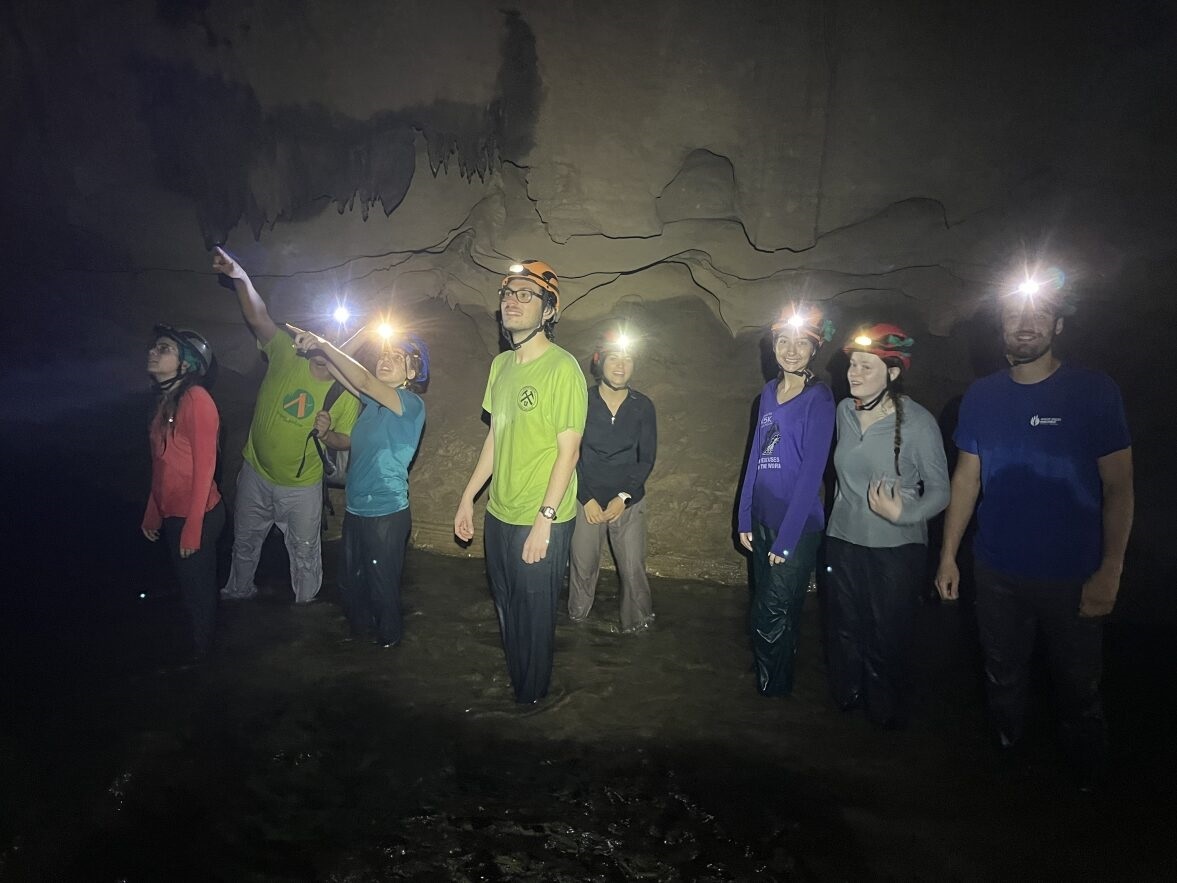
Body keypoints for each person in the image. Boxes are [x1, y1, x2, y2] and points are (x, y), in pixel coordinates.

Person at [935, 277, 1133, 785]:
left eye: (1039, 315)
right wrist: (948, 555)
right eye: (1014, 317)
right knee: (1002, 675)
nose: (1025, 326)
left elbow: (1119, 488)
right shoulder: (981, 396)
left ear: (1059, 326)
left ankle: (1085, 784)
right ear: (1000, 327)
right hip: (998, 569)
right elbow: (966, 479)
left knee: (1078, 686)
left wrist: (1110, 570)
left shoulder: (1093, 391)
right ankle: (1008, 768)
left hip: (1072, 573)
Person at [454, 260, 588, 704]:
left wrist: (545, 520)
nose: (512, 301)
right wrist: (467, 498)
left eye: (525, 295)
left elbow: (569, 452)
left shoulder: (562, 368)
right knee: (507, 609)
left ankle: (531, 707)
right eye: (508, 294)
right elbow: (497, 436)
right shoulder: (501, 367)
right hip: (499, 514)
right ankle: (519, 689)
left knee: (534, 619)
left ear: (549, 311)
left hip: (541, 517)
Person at [212, 247, 361, 605]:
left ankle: (305, 612)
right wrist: (240, 278)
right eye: (324, 335)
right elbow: (258, 316)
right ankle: (237, 593)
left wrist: (328, 434)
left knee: (306, 553)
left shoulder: (347, 392)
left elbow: (346, 442)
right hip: (256, 474)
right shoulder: (284, 352)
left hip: (302, 487)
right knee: (244, 542)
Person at [825, 324, 949, 727]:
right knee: (844, 627)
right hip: (843, 540)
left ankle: (882, 717)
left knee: (887, 633)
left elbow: (941, 491)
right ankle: (847, 702)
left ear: (893, 374)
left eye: (866, 366)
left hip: (897, 548)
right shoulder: (844, 411)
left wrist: (904, 515)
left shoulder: (918, 422)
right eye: (852, 364)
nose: (853, 374)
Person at [287, 323, 428, 647]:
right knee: (350, 586)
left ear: (412, 370)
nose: (385, 360)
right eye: (383, 354)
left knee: (382, 591)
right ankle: (361, 653)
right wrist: (320, 349)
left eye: (396, 357)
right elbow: (339, 373)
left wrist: (323, 341)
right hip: (356, 509)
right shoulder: (371, 406)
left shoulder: (409, 404)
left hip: (386, 514)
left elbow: (361, 377)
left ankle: (390, 652)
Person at [736, 305, 836, 696]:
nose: (791, 350)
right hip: (761, 519)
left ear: (814, 349)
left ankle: (771, 698)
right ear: (773, 347)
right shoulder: (767, 394)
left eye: (800, 343)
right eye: (783, 342)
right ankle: (774, 682)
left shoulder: (820, 399)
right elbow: (756, 457)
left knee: (772, 614)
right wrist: (743, 517)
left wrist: (787, 538)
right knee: (767, 608)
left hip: (794, 527)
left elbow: (813, 475)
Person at [142, 324, 226, 659]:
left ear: (186, 364)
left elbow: (206, 467)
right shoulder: (165, 404)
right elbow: (161, 465)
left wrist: (193, 530)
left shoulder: (197, 400)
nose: (153, 352)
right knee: (188, 589)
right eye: (155, 347)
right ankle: (196, 649)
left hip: (200, 514)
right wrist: (153, 510)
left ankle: (205, 662)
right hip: (174, 513)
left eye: (164, 349)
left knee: (199, 593)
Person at [568, 326, 658, 632]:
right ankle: (577, 625)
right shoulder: (581, 400)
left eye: (627, 358)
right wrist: (586, 497)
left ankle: (639, 627)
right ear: (599, 362)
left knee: (633, 571)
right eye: (613, 358)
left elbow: (646, 457)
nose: (620, 365)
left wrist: (624, 497)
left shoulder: (642, 405)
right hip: (586, 499)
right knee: (582, 568)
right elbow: (569, 452)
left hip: (628, 503)